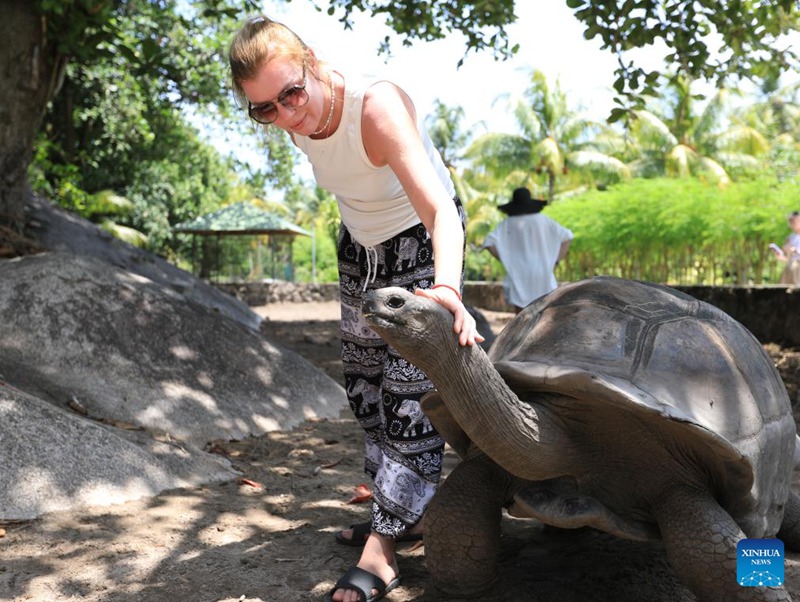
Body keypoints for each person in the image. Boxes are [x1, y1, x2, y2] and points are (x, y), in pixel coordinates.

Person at [228, 16, 483, 602]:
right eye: (264, 108)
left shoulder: (375, 108)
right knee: (366, 391)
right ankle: (406, 515)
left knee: (408, 394)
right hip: (360, 251)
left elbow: (441, 213)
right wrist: (363, 251)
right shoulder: (290, 119)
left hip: (421, 242)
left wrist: (447, 289)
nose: (286, 115)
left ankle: (384, 549)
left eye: (292, 93)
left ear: (313, 63)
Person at [482, 187, 574, 313]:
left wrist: (506, 259)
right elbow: (567, 237)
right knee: (545, 314)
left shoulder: (507, 223)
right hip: (543, 272)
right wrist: (555, 261)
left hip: (518, 274)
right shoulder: (543, 220)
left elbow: (488, 243)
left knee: (521, 317)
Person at [771, 210, 800, 286]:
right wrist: (779, 256)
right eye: (790, 221)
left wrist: (796, 250)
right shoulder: (790, 238)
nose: (791, 224)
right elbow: (787, 258)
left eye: (793, 221)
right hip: (790, 269)